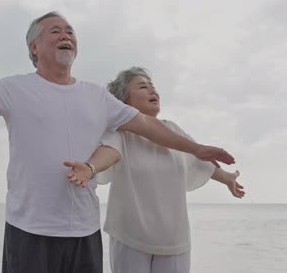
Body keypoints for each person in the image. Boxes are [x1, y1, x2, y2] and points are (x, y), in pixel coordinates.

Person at [0, 12, 235, 273]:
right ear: (34, 47)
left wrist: (196, 149)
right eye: (54, 30)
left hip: (84, 231)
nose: (65, 35)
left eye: (70, 31)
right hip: (30, 228)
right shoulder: (14, 88)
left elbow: (149, 129)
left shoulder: (96, 97)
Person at [65, 67, 245, 273]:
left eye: (153, 87)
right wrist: (90, 168)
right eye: (143, 86)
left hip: (174, 238)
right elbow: (109, 152)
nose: (153, 91)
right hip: (130, 235)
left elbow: (199, 162)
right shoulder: (120, 133)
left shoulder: (173, 130)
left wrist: (227, 178)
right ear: (124, 100)